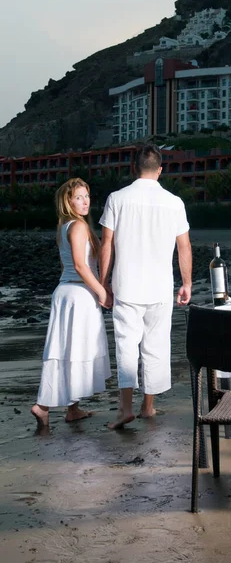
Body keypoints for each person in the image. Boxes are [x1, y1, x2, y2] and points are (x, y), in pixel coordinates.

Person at [99, 144, 192, 430]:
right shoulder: (174, 202)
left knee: (126, 346)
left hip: (127, 284)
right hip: (160, 286)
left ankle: (125, 409)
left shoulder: (117, 198)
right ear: (160, 169)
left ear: (134, 168)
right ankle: (148, 407)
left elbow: (107, 245)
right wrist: (186, 282)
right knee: (156, 346)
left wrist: (103, 285)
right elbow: (184, 247)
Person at [31, 178, 112, 427]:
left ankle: (71, 409)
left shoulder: (68, 226)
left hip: (69, 292)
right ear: (68, 201)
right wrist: (101, 290)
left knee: (69, 350)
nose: (85, 201)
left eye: (87, 196)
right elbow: (79, 264)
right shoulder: (77, 226)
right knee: (74, 350)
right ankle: (43, 405)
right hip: (77, 293)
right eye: (78, 197)